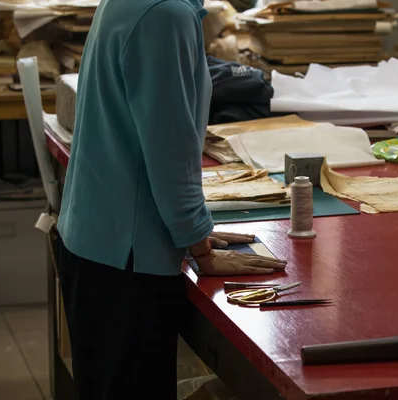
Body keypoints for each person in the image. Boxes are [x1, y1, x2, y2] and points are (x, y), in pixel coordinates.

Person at [53, 0, 287, 398]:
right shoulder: (165, 14)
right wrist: (200, 245)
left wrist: (197, 231)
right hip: (124, 260)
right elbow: (171, 153)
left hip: (99, 238)